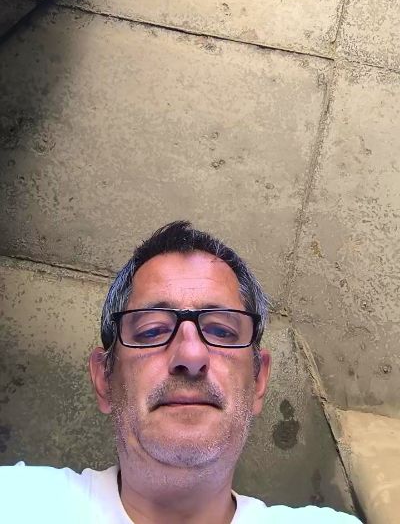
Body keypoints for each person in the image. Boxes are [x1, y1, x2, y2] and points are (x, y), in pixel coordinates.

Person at [1, 221, 361, 523]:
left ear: (258, 380)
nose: (191, 354)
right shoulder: (18, 503)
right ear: (103, 379)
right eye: (151, 331)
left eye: (221, 331)